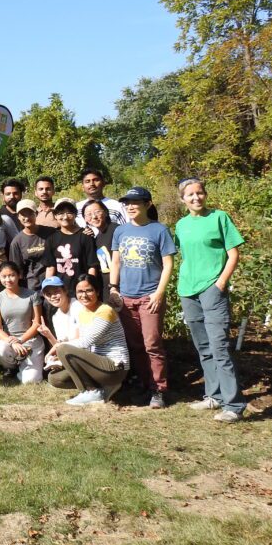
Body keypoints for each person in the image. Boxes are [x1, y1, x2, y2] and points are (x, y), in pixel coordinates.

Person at [174, 177, 247, 422]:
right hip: (188, 290)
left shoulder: (219, 217)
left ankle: (234, 405)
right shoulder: (181, 225)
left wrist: (221, 282)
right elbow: (184, 255)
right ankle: (213, 396)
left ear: (205, 194)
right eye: (190, 195)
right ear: (182, 199)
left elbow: (233, 253)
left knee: (219, 346)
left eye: (200, 193)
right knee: (203, 347)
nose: (196, 198)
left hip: (212, 288)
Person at [110, 186, 176, 409]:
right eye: (127, 203)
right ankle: (143, 384)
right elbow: (116, 262)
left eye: (135, 202)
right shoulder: (121, 232)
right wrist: (113, 288)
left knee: (152, 343)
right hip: (126, 297)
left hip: (150, 296)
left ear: (147, 204)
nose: (130, 206)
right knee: (135, 345)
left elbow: (168, 264)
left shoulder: (159, 230)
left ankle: (159, 389)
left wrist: (159, 292)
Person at [49, 274, 130, 405]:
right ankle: (103, 388)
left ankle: (91, 392)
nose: (84, 295)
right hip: (97, 365)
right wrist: (60, 361)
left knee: (64, 348)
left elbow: (85, 342)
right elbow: (84, 347)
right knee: (55, 378)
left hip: (114, 367)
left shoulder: (105, 311)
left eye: (89, 290)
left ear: (97, 291)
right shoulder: (83, 313)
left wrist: (59, 349)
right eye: (80, 291)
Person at [0, 262, 45, 383]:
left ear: (19, 275)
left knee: (31, 381)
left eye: (11, 275)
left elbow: (36, 323)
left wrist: (21, 340)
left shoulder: (32, 295)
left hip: (30, 341)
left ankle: (23, 368)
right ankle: (12, 367)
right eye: (4, 276)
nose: (8, 279)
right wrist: (12, 342)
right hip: (9, 342)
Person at [44, 198, 99, 282]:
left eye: (69, 213)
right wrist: (47, 287)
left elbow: (92, 266)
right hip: (60, 290)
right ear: (55, 216)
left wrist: (90, 286)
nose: (65, 217)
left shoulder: (85, 236)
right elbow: (51, 267)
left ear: (75, 214)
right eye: (61, 213)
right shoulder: (51, 239)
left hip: (82, 289)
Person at [8, 199, 53, 291]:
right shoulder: (17, 242)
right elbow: (17, 270)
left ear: (36, 213)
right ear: (18, 216)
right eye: (23, 214)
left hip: (53, 283)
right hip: (32, 287)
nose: (27, 218)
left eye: (30, 213)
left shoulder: (50, 233)